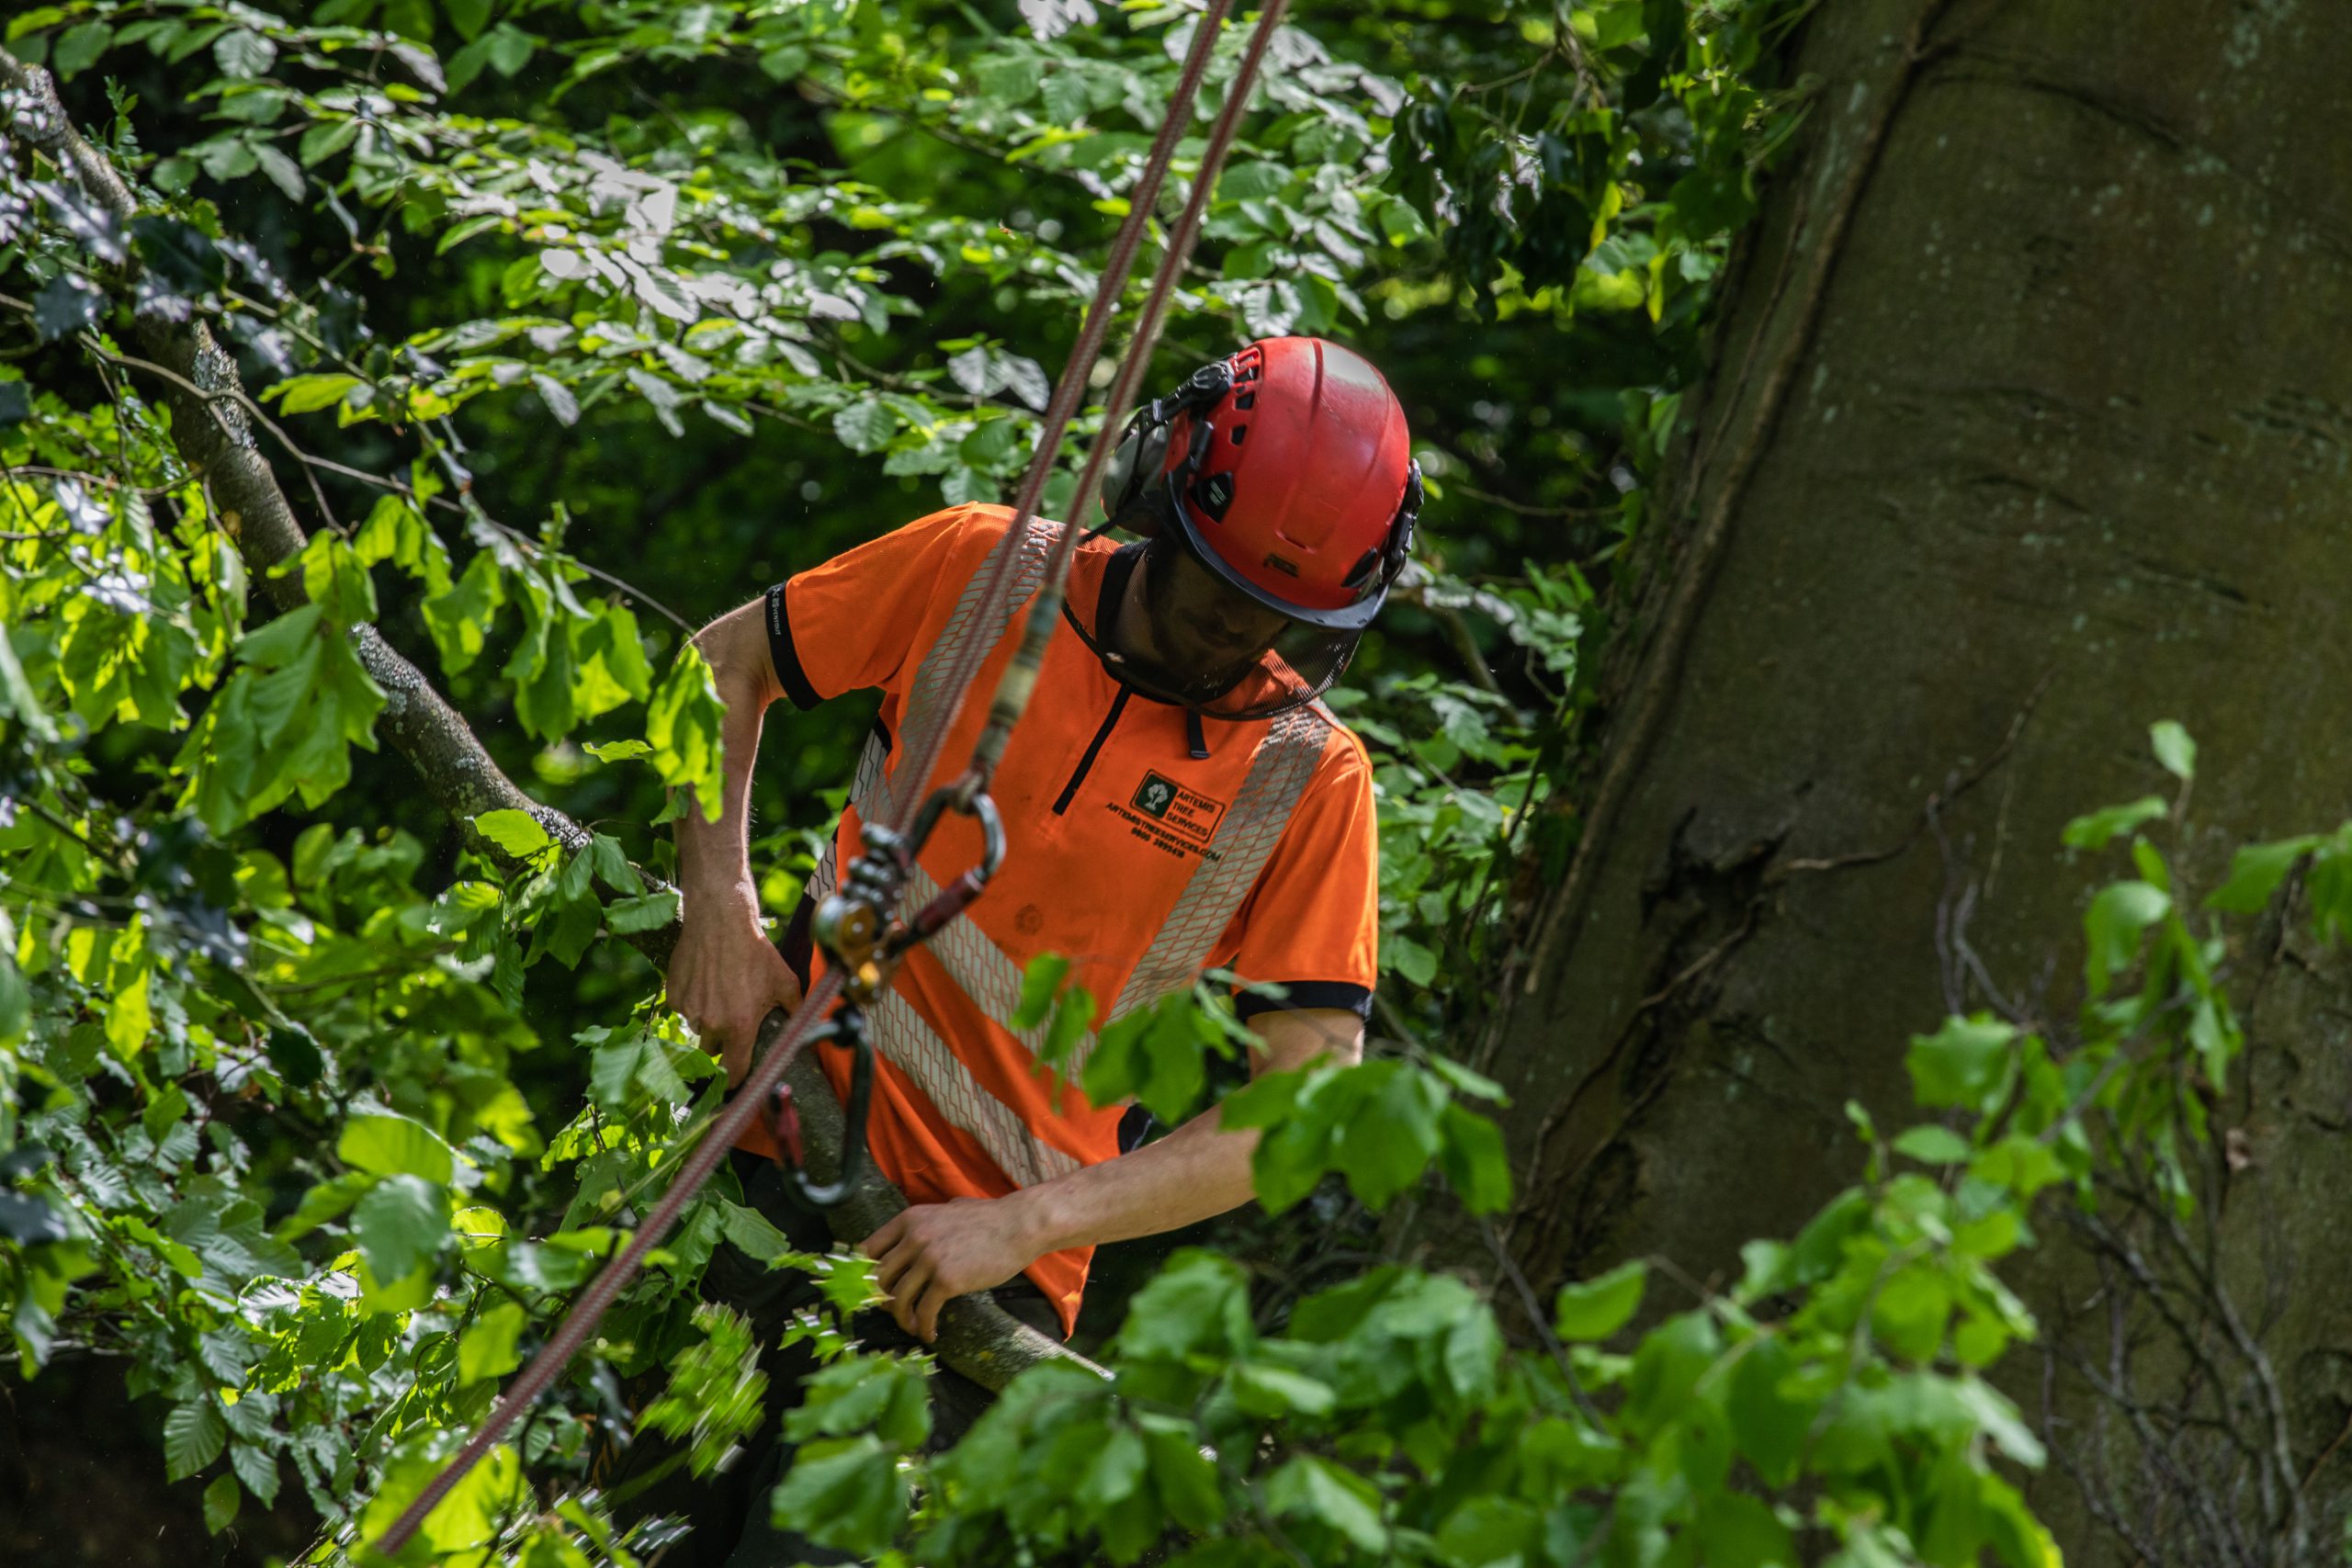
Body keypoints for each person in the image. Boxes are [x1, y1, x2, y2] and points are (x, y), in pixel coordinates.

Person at [636, 334, 1421, 1563]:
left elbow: (1299, 1108)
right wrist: (722, 911)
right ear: (1160, 498)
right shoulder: (978, 572)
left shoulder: (1309, 780)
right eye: (1216, 597)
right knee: (603, 1527)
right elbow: (723, 668)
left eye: (1276, 621)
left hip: (964, 1295)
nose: (1232, 641)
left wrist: (1027, 1225)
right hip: (759, 1149)